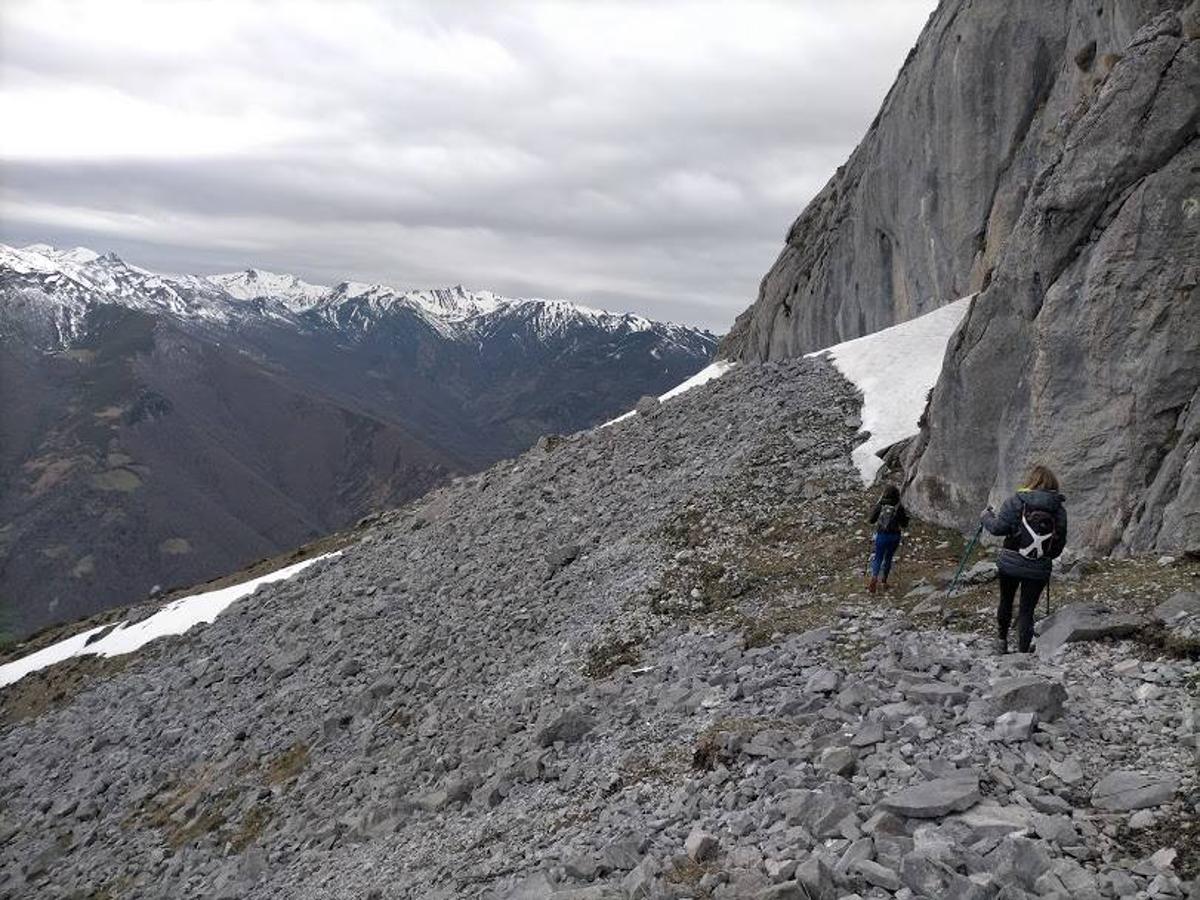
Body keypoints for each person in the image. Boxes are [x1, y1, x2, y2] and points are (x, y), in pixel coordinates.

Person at [981, 464, 1068, 653]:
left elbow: (997, 528)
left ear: (1031, 481)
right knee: (1027, 609)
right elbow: (1058, 547)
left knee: (1006, 601)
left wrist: (985, 517)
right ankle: (1022, 651)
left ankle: (1002, 641)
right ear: (1053, 484)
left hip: (1010, 561)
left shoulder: (1016, 501)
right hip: (1038, 568)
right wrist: (1044, 556)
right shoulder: (1058, 509)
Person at [867, 484, 909, 594]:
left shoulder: (880, 505)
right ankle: (884, 581)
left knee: (878, 557)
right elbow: (904, 524)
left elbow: (871, 520)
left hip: (882, 535)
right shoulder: (898, 506)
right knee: (888, 558)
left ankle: (874, 577)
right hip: (894, 536)